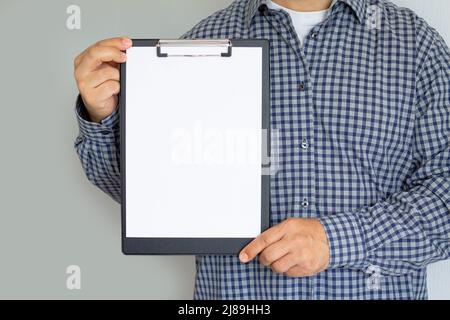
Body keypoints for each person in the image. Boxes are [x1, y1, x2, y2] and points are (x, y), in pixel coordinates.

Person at [73, 0, 450, 299]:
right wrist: (102, 116)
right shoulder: (199, 45)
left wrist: (336, 240)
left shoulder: (415, 46)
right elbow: (153, 203)